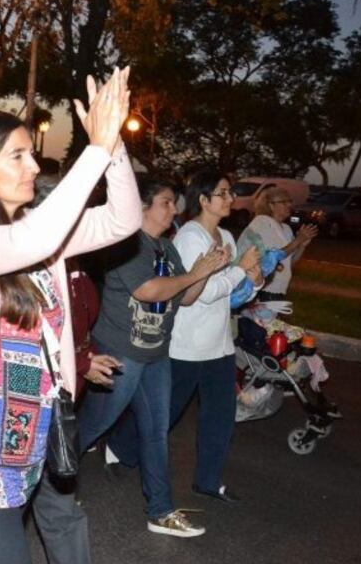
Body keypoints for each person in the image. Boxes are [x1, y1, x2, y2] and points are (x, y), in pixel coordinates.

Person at [0, 68, 140, 564]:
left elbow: (125, 219)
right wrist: (93, 150)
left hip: (27, 451)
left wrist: (114, 144)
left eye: (31, 154)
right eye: (17, 155)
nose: (33, 165)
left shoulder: (41, 234)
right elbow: (27, 242)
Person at [75, 179, 229, 538]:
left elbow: (185, 298)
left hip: (156, 355)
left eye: (174, 204)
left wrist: (205, 272)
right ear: (142, 207)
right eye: (166, 203)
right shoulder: (126, 246)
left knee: (156, 432)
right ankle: (50, 485)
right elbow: (147, 291)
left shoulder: (167, 248)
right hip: (119, 355)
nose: (174, 210)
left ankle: (160, 511)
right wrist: (195, 273)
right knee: (92, 427)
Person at [111, 170, 262, 505]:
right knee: (166, 413)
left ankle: (208, 480)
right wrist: (239, 270)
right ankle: (120, 447)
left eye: (230, 193)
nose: (230, 199)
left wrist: (254, 277)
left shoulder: (226, 236)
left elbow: (232, 293)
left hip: (220, 345)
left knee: (221, 415)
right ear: (204, 200)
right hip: (187, 345)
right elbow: (203, 292)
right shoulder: (191, 237)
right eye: (222, 193)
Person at [240, 185, 317, 300]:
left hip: (278, 289)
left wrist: (301, 245)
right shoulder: (262, 223)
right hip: (262, 288)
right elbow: (273, 257)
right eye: (283, 202)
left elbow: (289, 262)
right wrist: (298, 240)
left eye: (289, 201)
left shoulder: (286, 229)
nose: (289, 205)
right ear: (271, 205)